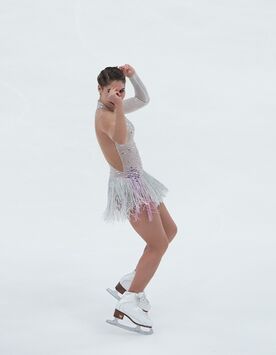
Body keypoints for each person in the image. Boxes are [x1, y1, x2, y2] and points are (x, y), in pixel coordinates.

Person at [95, 65, 177, 333]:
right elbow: (119, 136)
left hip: (139, 178)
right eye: (111, 91)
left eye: (120, 91)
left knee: (170, 231)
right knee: (157, 245)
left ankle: (132, 280)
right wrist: (119, 105)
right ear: (100, 90)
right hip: (128, 186)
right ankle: (129, 302)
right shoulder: (106, 116)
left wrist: (132, 77)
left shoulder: (113, 108)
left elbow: (143, 100)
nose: (117, 96)